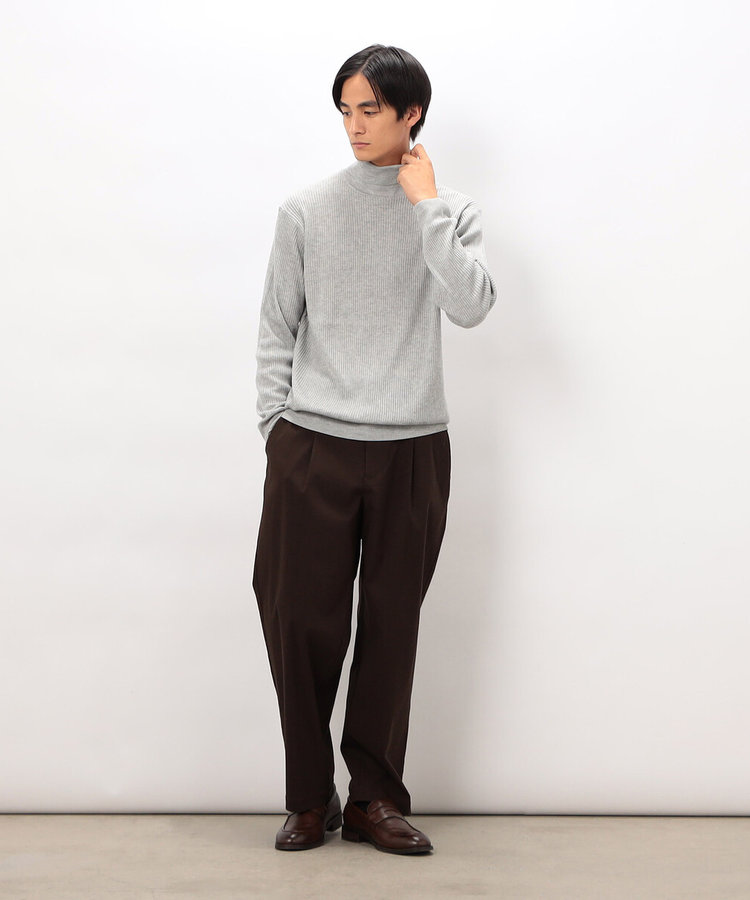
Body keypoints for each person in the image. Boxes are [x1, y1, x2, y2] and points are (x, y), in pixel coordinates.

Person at [252, 43, 498, 855]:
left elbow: (472, 307)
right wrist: (277, 431)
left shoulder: (449, 210)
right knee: (298, 622)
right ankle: (307, 797)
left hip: (413, 448)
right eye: (346, 111)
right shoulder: (305, 209)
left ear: (410, 114)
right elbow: (276, 326)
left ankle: (374, 799)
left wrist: (425, 208)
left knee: (392, 625)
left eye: (370, 110)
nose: (354, 126)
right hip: (312, 445)